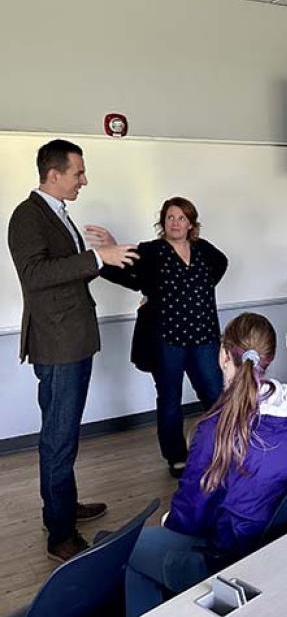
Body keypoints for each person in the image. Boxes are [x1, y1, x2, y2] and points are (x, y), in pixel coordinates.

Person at [124, 312, 287, 616]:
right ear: (269, 358)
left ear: (222, 355)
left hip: (230, 563)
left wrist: (169, 523)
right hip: (283, 547)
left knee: (127, 549)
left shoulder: (215, 429)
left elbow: (189, 519)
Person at [7, 139, 139, 562]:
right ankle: (60, 533)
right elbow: (35, 274)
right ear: (54, 174)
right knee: (59, 438)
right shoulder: (27, 216)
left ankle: (62, 507)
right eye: (79, 172)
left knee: (65, 434)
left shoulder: (58, 214)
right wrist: (96, 258)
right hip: (58, 344)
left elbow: (65, 270)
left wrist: (104, 256)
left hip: (73, 339)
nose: (85, 180)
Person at [94, 197, 228, 477]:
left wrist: (196, 293)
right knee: (169, 399)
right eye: (170, 217)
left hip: (204, 336)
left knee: (215, 395)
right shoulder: (152, 251)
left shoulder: (204, 250)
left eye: (181, 218)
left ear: (191, 223)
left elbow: (221, 265)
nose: (175, 223)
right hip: (167, 340)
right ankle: (176, 457)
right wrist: (109, 247)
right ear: (163, 222)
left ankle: (223, 447)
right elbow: (126, 271)